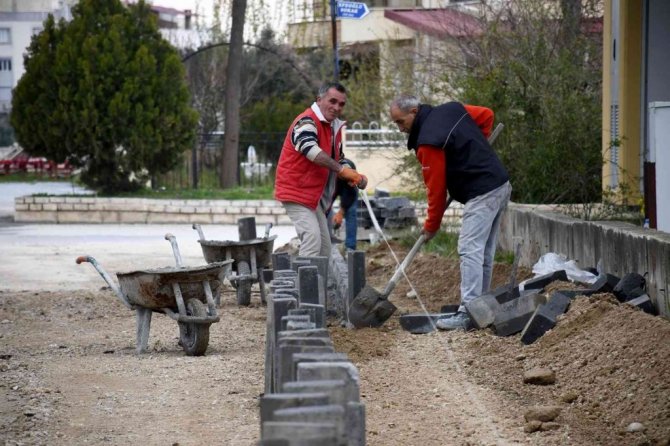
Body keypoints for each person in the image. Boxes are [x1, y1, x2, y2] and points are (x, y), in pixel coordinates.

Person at [389, 94, 512, 330]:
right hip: (500, 184)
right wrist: (471, 151)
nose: (400, 128)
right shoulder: (452, 109)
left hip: (482, 192)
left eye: (400, 122)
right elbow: (486, 115)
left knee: (469, 248)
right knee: (483, 252)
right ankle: (480, 309)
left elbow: (436, 190)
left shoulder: (428, 141)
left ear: (414, 112)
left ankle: (468, 313)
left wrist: (431, 226)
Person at [275, 82, 367, 257]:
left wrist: (353, 174)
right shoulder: (306, 121)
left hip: (314, 197)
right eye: (332, 101)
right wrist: (341, 170)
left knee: (324, 247)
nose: (337, 107)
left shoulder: (333, 127)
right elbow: (310, 149)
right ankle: (306, 277)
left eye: (341, 104)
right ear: (319, 100)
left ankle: (320, 277)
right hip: (296, 192)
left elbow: (338, 159)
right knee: (312, 240)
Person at [330, 158, 359, 251]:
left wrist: (341, 213)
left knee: (351, 212)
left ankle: (350, 248)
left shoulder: (348, 173)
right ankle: (326, 241)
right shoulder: (323, 171)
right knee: (324, 211)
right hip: (330, 188)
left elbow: (350, 194)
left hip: (348, 190)